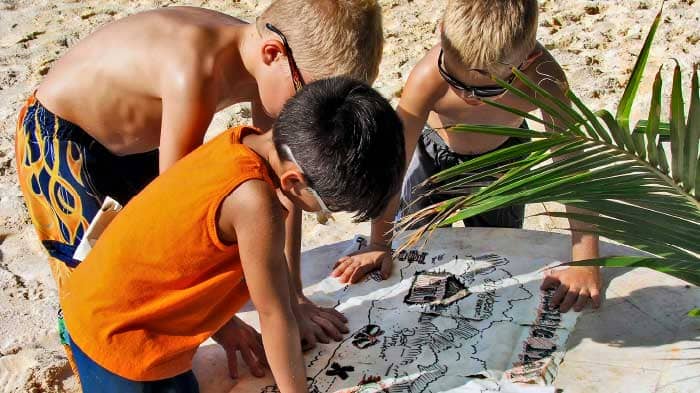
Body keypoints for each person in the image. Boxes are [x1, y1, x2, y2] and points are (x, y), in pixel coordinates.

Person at [15, 0, 383, 376]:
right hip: (61, 140)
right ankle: (91, 370)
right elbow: (175, 221)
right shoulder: (194, 72)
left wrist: (295, 299)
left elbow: (285, 184)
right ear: (274, 54)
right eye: (311, 95)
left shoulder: (272, 62)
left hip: (136, 140)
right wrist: (223, 326)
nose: (314, 116)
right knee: (94, 273)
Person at [60, 77, 405, 392]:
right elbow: (274, 316)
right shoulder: (255, 204)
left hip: (114, 302)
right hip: (116, 336)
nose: (323, 211)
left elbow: (178, 253)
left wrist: (224, 324)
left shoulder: (242, 142)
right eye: (326, 206)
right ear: (294, 182)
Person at [333, 0, 602, 314]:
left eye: (488, 91)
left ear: (528, 59)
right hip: (433, 159)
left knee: (499, 255)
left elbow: (571, 166)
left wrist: (586, 260)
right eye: (455, 81)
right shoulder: (428, 76)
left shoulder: (545, 78)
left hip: (501, 161)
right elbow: (395, 161)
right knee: (417, 254)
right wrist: (379, 243)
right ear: (442, 33)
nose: (468, 96)